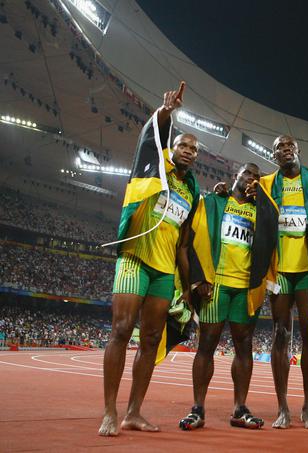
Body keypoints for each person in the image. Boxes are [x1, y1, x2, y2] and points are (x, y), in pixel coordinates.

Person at [99, 82, 200, 436]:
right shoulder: (153, 167)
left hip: (164, 270)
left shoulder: (191, 191)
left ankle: (133, 412)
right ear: (171, 149)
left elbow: (184, 244)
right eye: (182, 145)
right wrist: (165, 114)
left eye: (193, 148)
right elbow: (149, 141)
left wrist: (187, 288)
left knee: (152, 339)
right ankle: (110, 411)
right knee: (122, 330)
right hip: (134, 259)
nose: (188, 151)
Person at [254, 135, 308, 429]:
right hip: (279, 271)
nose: (285, 150)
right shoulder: (265, 184)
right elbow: (242, 201)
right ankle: (282, 407)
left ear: (298, 150)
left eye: (289, 146)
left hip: (307, 269)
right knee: (280, 335)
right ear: (273, 155)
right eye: (279, 148)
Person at [177, 163, 265, 430]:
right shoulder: (214, 203)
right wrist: (199, 278)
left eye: (257, 177)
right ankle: (197, 408)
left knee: (244, 345)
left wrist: (264, 202)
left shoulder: (260, 212)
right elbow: (193, 239)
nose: (252, 178)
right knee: (207, 343)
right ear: (235, 177)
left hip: (245, 288)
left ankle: (240, 408)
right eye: (247, 173)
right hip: (216, 285)